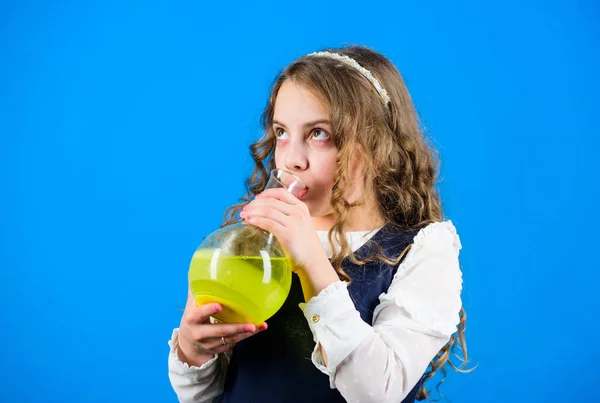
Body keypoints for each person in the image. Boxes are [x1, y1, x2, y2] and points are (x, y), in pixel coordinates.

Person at [167, 45, 469, 403]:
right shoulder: (255, 243)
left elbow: (378, 392)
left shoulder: (423, 250)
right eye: (281, 132)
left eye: (318, 134)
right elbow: (206, 396)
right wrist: (193, 349)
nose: (291, 159)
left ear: (377, 145)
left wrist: (313, 264)